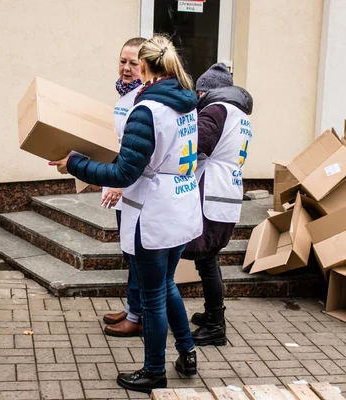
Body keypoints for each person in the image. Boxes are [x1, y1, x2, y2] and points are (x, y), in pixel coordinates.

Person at [52, 35, 202, 394]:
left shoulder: (147, 109)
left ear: (147, 69)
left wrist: (74, 163)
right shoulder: (187, 103)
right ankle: (188, 351)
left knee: (153, 297)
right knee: (166, 286)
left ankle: (154, 371)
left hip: (153, 212)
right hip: (181, 205)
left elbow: (123, 173)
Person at [181, 62, 253, 346]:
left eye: (198, 91)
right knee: (207, 258)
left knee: (205, 259)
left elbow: (193, 145)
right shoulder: (239, 114)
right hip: (225, 193)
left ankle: (215, 324)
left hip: (209, 193)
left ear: (205, 90)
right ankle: (214, 314)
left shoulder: (216, 110)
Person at [100, 37, 146, 338]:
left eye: (133, 63)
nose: (126, 69)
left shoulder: (142, 97)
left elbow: (138, 149)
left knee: (137, 253)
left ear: (146, 66)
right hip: (119, 183)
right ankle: (132, 307)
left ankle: (137, 315)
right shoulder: (123, 95)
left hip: (131, 185)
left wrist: (120, 183)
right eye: (122, 61)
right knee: (128, 251)